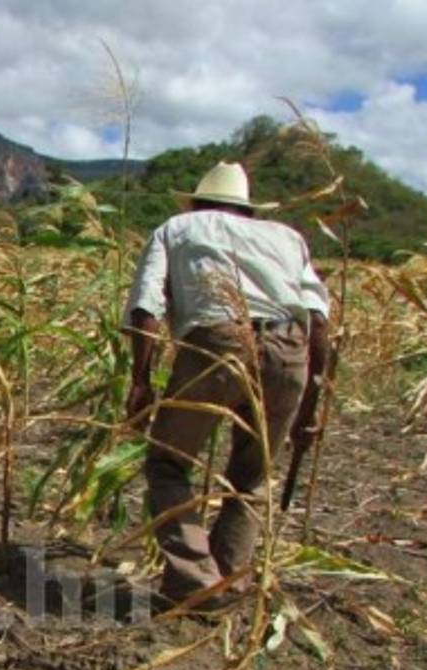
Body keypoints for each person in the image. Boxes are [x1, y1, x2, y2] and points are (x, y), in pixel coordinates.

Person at [123, 160, 330, 609]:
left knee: (167, 465)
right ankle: (228, 581)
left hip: (216, 344)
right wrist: (310, 410)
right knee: (252, 477)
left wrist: (140, 383)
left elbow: (145, 308)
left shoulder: (176, 228)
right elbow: (317, 324)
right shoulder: (288, 238)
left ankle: (196, 583)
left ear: (197, 202)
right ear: (249, 211)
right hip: (288, 350)